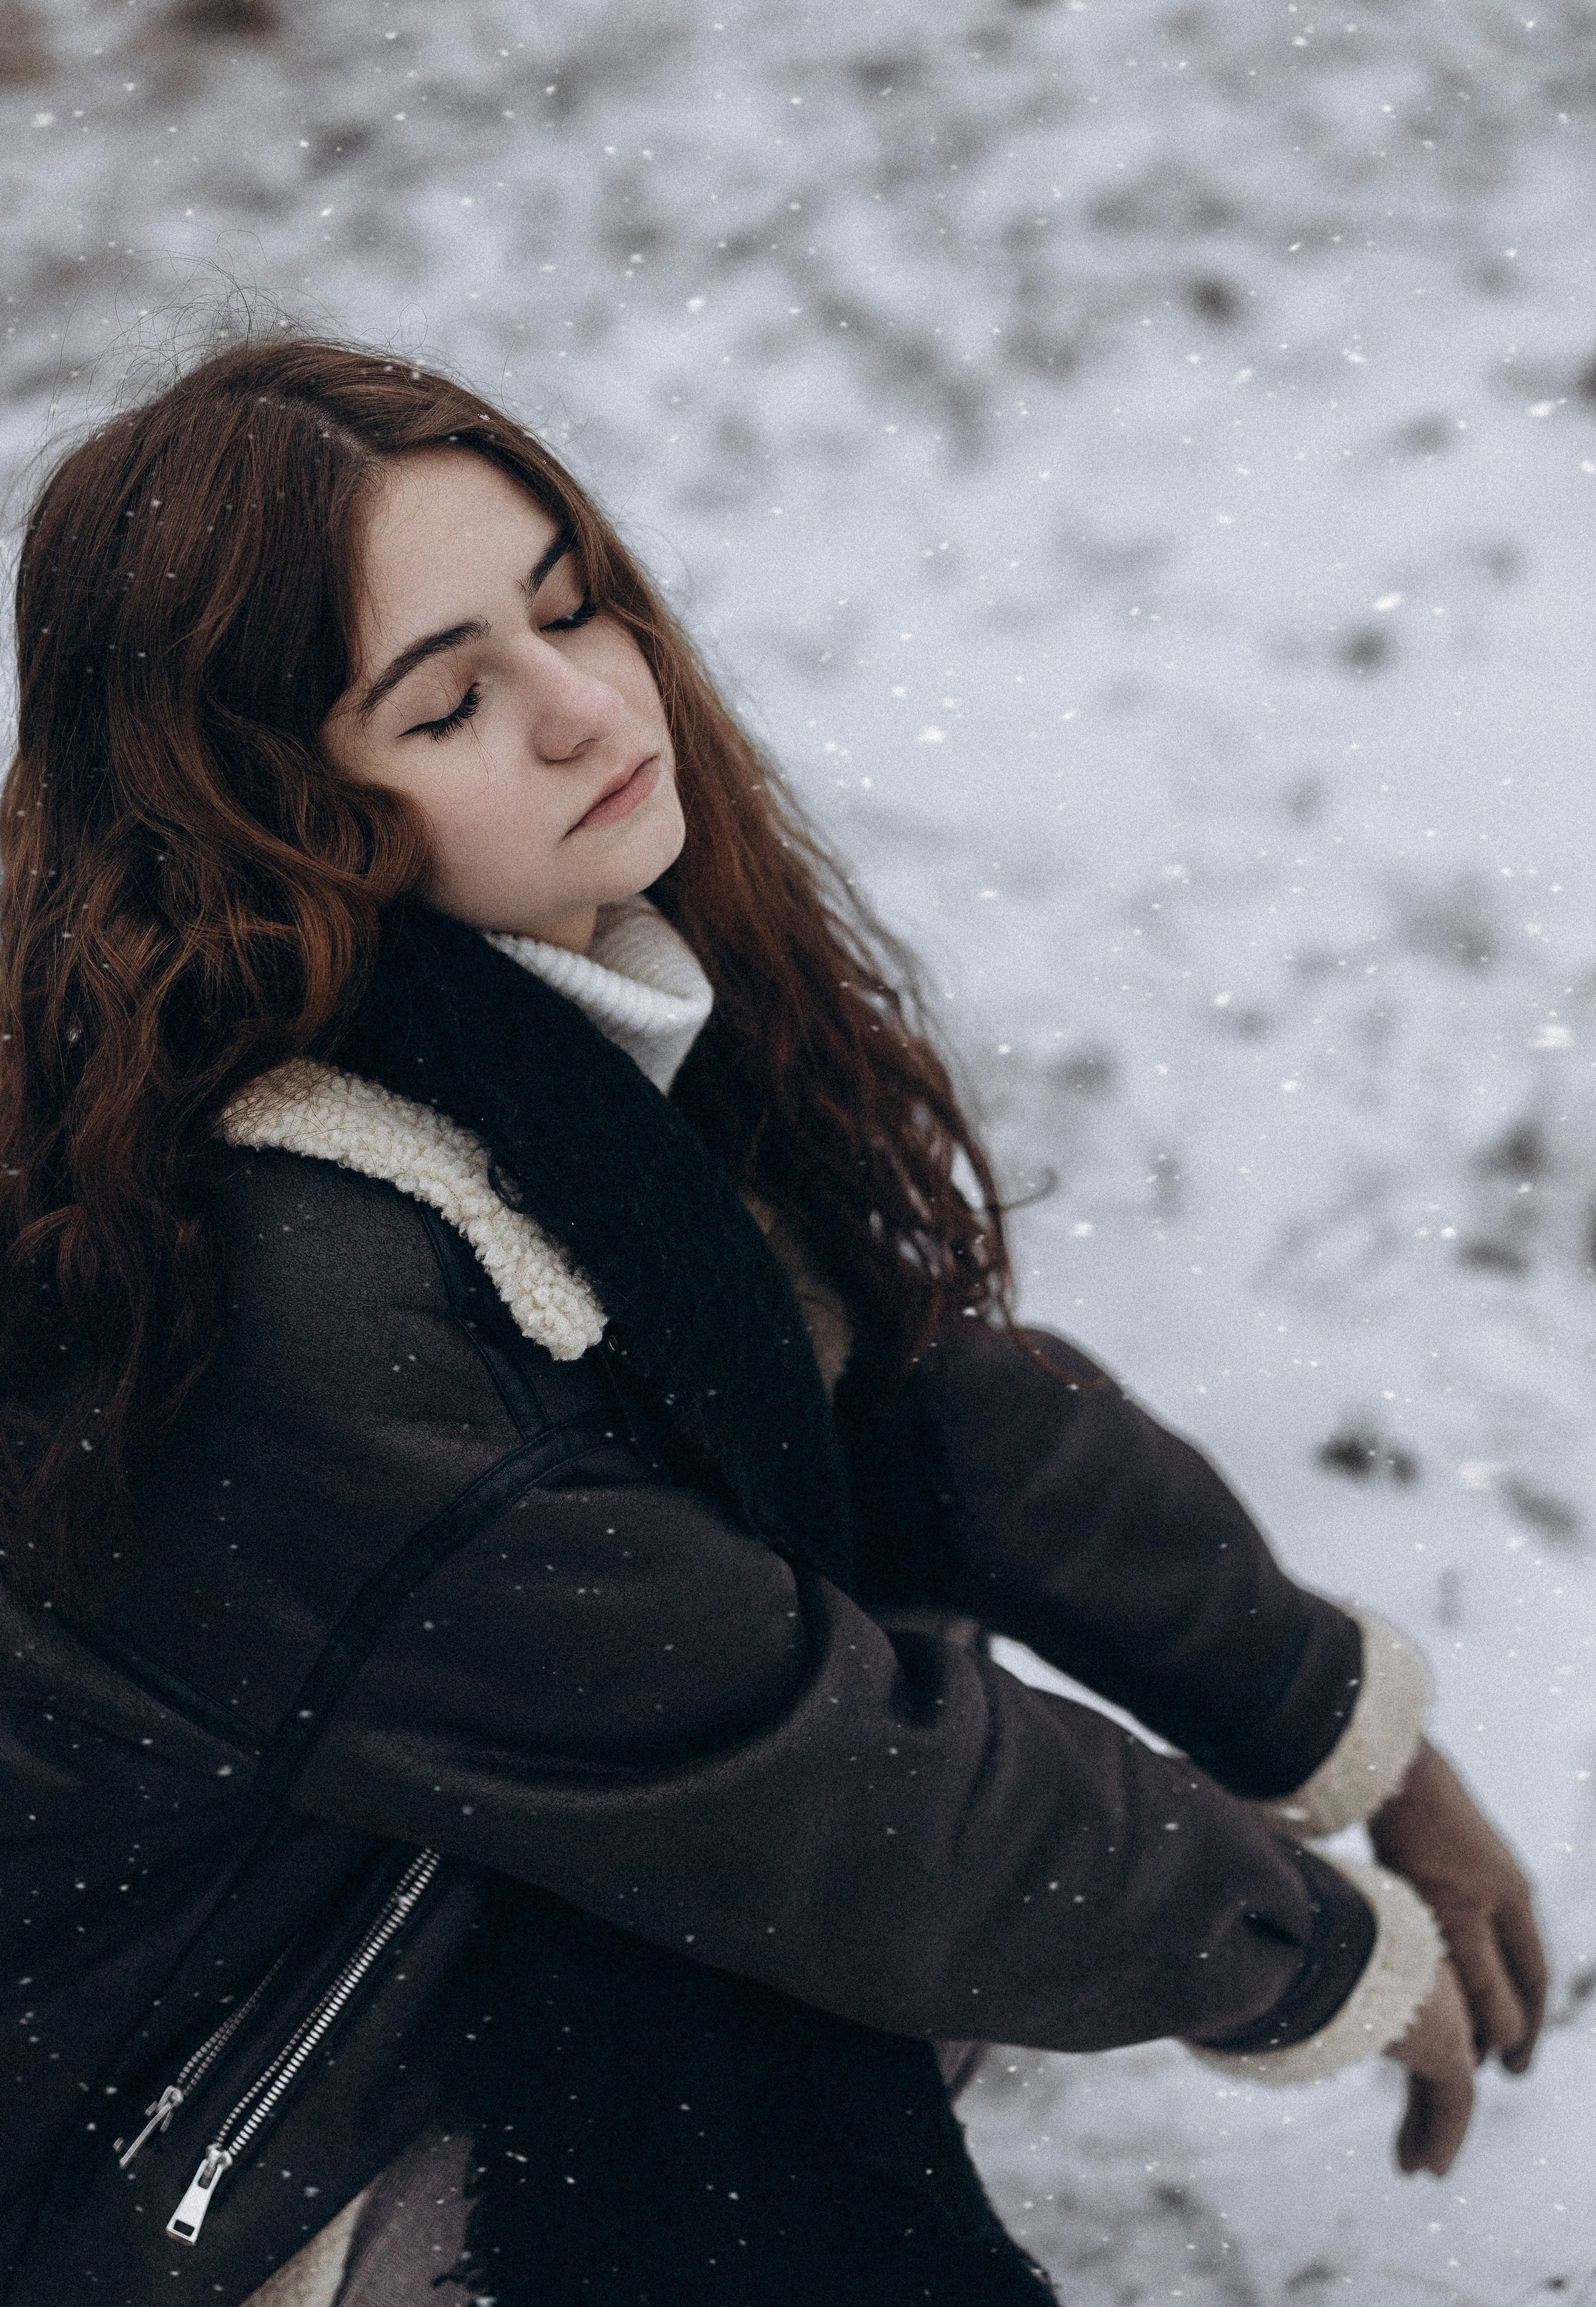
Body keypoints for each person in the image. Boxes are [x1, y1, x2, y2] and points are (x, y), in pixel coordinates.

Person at [0, 334, 1546, 2307]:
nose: (584, 709)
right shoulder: (286, 1280)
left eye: (569, 607)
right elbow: (798, 1767)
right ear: (272, 809)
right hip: (152, 2174)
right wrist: (1312, 1955)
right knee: (775, 1887)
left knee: (844, 1700)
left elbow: (919, 1415)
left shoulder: (502, 1048)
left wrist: (1341, 1727)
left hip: (343, 1966)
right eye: (452, 696)